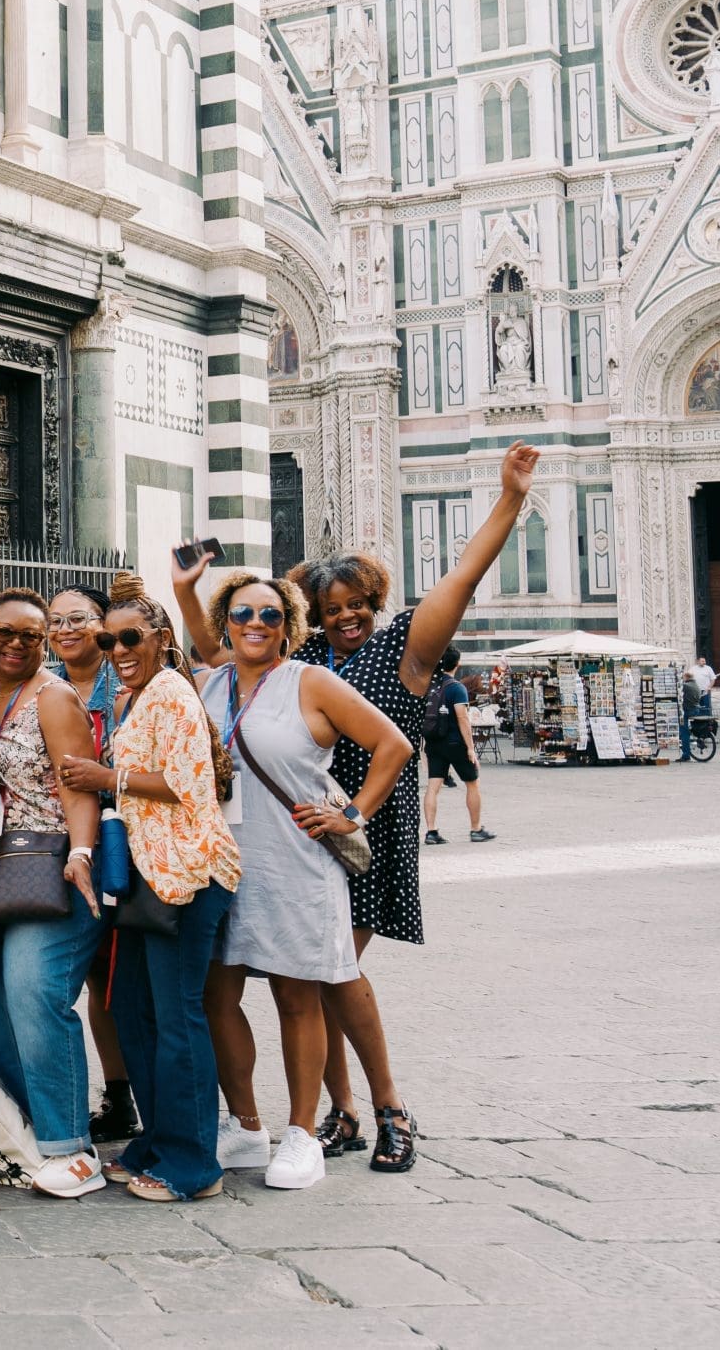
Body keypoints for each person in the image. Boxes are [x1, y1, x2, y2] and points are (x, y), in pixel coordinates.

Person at [171, 440, 538, 1175]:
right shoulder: (301, 660)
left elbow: (462, 578)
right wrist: (190, 595)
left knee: (333, 977)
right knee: (316, 977)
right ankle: (340, 1111)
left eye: (358, 605)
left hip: (362, 831)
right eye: (332, 608)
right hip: (294, 825)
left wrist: (509, 498)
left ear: (377, 603)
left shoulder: (403, 649)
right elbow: (221, 654)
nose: (347, 617)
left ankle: (389, 1107)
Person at [199, 570, 409, 1193]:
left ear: (288, 625)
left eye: (270, 614)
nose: (255, 624)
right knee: (215, 996)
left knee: (297, 998)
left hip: (295, 864)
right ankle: (244, 1125)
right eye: (242, 614)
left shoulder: (309, 681)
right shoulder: (209, 684)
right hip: (224, 864)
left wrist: (352, 814)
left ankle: (301, 1133)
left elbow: (392, 745)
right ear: (225, 624)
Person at [54, 578, 241, 1202]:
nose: (118, 650)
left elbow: (189, 786)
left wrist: (107, 776)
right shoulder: (135, 696)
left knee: (176, 1018)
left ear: (161, 639)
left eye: (130, 637)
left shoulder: (171, 692)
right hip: (145, 878)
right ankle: (158, 1140)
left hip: (185, 876)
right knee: (134, 1011)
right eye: (109, 641)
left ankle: (193, 1162)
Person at [0, 589, 104, 1197]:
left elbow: (79, 787)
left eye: (29, 635)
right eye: (4, 632)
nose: (15, 643)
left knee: (34, 993)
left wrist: (81, 854)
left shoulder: (54, 697)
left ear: (44, 642)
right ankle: (28, 1130)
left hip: (50, 867)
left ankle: (73, 1147)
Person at [46, 582, 138, 1144]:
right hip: (61, 851)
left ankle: (131, 1093)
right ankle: (115, 1096)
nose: (65, 630)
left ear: (103, 625)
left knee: (119, 978)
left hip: (126, 848)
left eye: (78, 619)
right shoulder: (44, 687)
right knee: (84, 976)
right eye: (56, 621)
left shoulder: (128, 686)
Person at [421, 648, 489, 844]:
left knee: (433, 787)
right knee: (472, 783)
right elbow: (463, 718)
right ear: (457, 663)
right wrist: (470, 748)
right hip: (455, 742)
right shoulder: (456, 688)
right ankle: (476, 829)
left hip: (434, 742)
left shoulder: (428, 686)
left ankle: (431, 832)